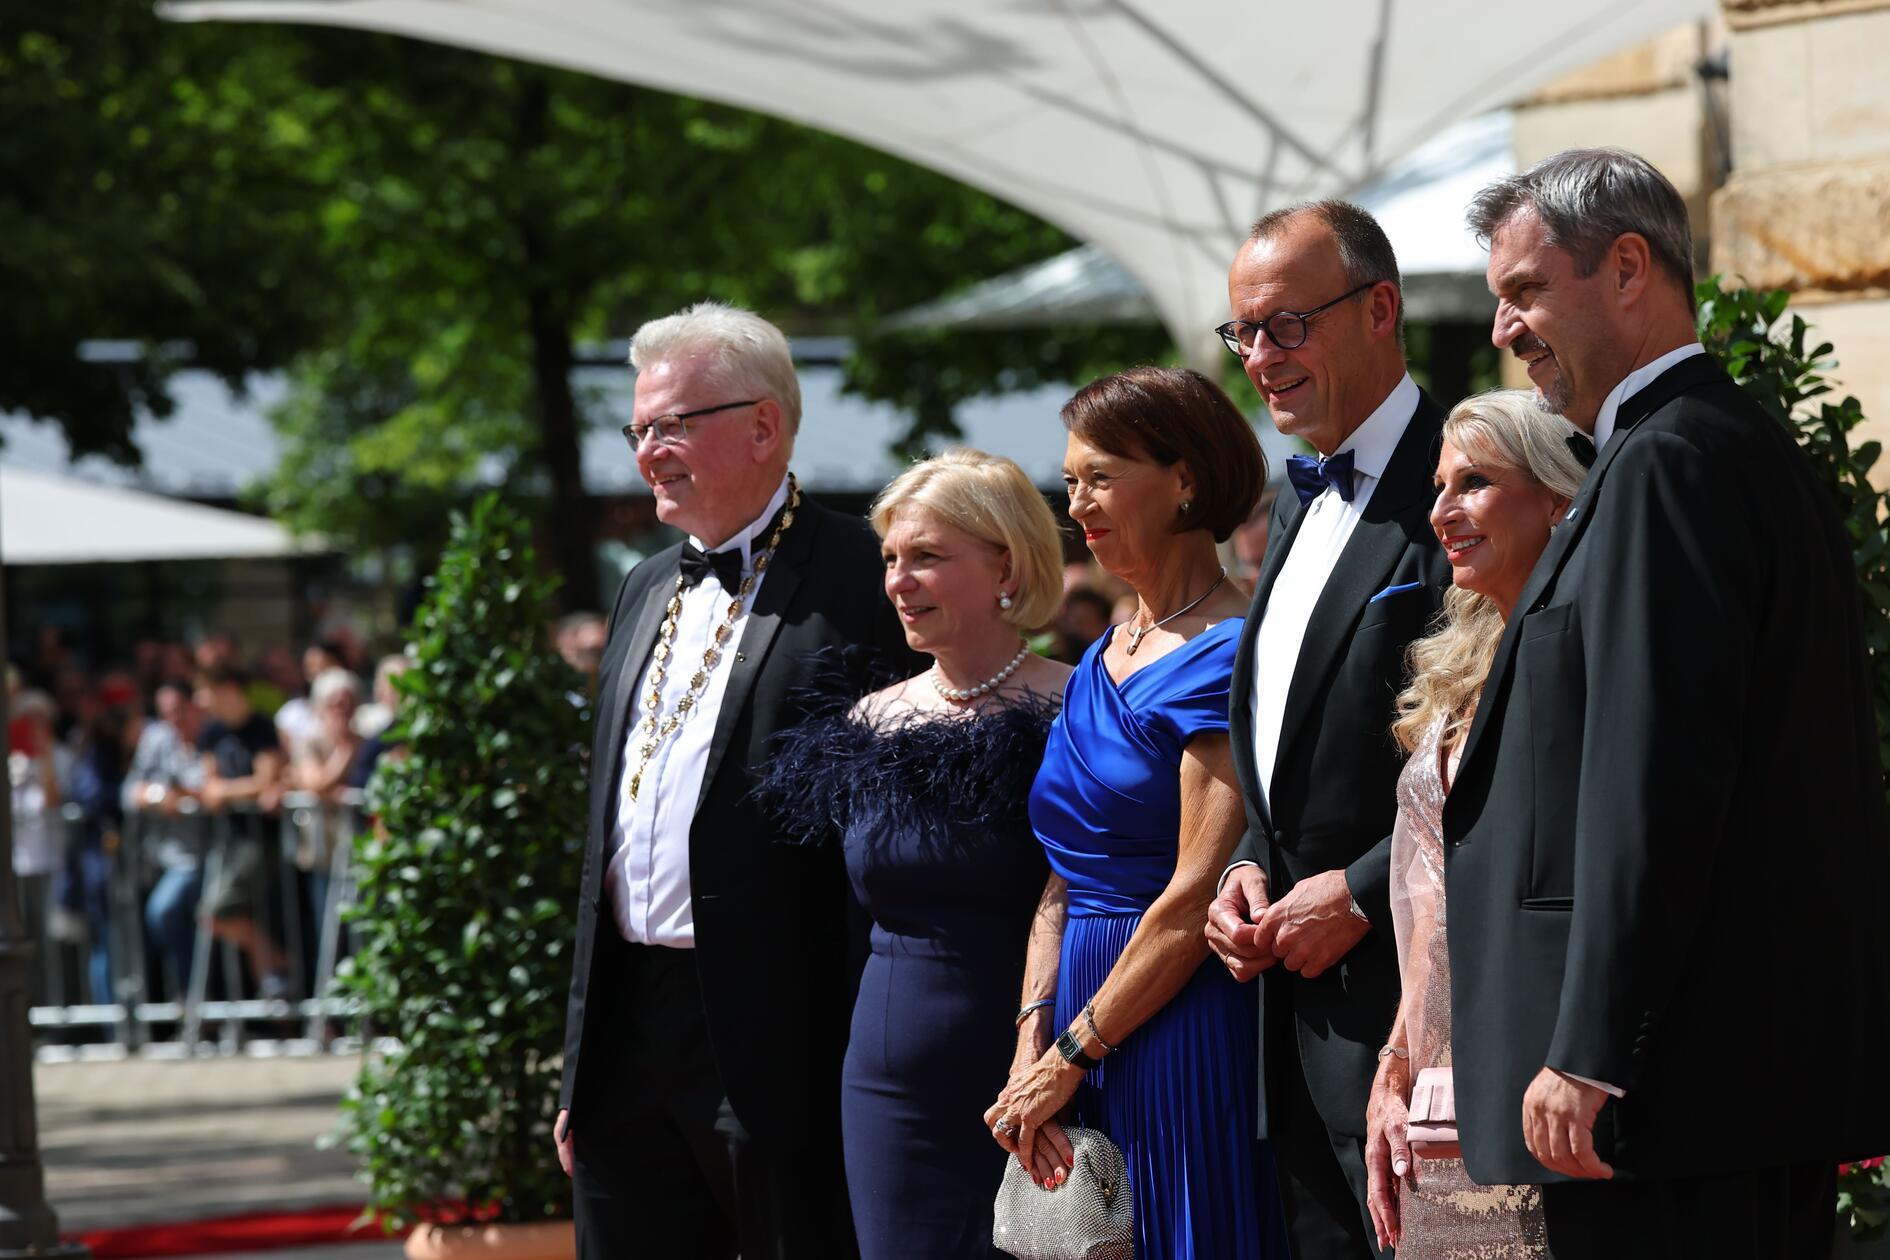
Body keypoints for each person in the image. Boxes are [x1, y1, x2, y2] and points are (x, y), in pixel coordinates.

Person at [1443, 147, 1890, 1257]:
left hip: (1672, 1100)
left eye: (1528, 292)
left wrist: (1593, 1046)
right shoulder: (1701, 447)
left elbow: (1660, 775)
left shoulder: (1672, 462)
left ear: (1630, 267)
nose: (1506, 329)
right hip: (1707, 1091)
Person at [554, 301, 913, 1260]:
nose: (649, 452)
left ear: (765, 424)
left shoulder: (868, 578)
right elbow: (607, 839)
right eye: (639, 429)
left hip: (782, 1036)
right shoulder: (641, 585)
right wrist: (576, 1075)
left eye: (674, 425)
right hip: (630, 1033)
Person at [988, 366, 1289, 1259]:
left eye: (1103, 476)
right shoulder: (1099, 655)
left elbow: (1198, 891)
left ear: (1186, 478)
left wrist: (1070, 1054)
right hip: (1080, 1015)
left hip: (1183, 1019)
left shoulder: (1231, 652)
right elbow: (1063, 874)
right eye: (1071, 479)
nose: (1077, 502)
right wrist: (1031, 1043)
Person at [1204, 200, 1452, 1257]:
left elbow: (1495, 752)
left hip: (1413, 1013)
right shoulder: (1297, 499)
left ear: (1380, 309)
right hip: (1278, 1018)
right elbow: (1285, 742)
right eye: (1244, 333)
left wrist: (1356, 893)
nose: (1260, 357)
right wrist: (1246, 866)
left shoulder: (1467, 480)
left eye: (1287, 326)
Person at [755, 448, 1070, 1259]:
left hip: (1048, 1070)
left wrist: (1055, 1055)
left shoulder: (1081, 705)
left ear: (1006, 563)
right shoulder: (867, 724)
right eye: (892, 558)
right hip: (890, 1088)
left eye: (927, 556)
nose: (898, 580)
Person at [1357, 391, 1587, 1257]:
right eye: (1439, 485)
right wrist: (1398, 1066)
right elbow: (1426, 891)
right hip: (1437, 1094)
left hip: (1538, 1080)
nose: (1441, 511)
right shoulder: (1459, 665)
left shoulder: (1586, 659)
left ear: (1559, 499)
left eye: (1475, 484)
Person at [196, 665, 293, 1000]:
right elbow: (209, 787)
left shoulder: (262, 728)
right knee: (223, 914)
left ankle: (277, 965)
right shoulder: (211, 733)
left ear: (228, 689)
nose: (201, 699)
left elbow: (265, 780)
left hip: (260, 838)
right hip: (229, 839)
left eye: (206, 690)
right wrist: (230, 791)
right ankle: (274, 972)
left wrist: (226, 791)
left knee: (217, 911)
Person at [125, 683, 209, 998]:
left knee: (169, 913)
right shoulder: (157, 739)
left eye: (178, 711)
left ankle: (197, 999)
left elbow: (210, 789)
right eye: (165, 713)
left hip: (208, 852)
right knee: (166, 918)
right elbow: (131, 790)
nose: (172, 720)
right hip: (164, 857)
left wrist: (185, 797)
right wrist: (160, 797)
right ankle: (189, 1000)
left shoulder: (209, 736)